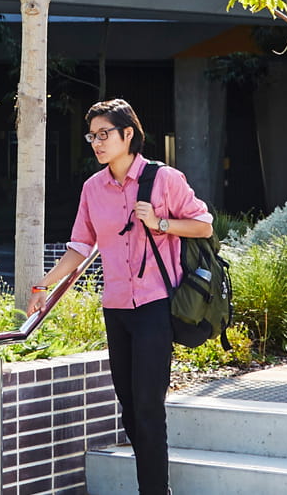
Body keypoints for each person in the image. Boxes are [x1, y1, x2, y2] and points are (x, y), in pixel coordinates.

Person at [26, 99, 213, 495]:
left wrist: (160, 223)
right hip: (116, 308)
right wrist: (44, 285)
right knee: (129, 405)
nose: (97, 142)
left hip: (155, 304)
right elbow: (81, 246)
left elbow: (203, 226)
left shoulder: (165, 179)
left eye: (104, 134)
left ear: (128, 134)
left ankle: (154, 490)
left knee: (147, 405)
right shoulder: (93, 188)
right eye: (92, 136)